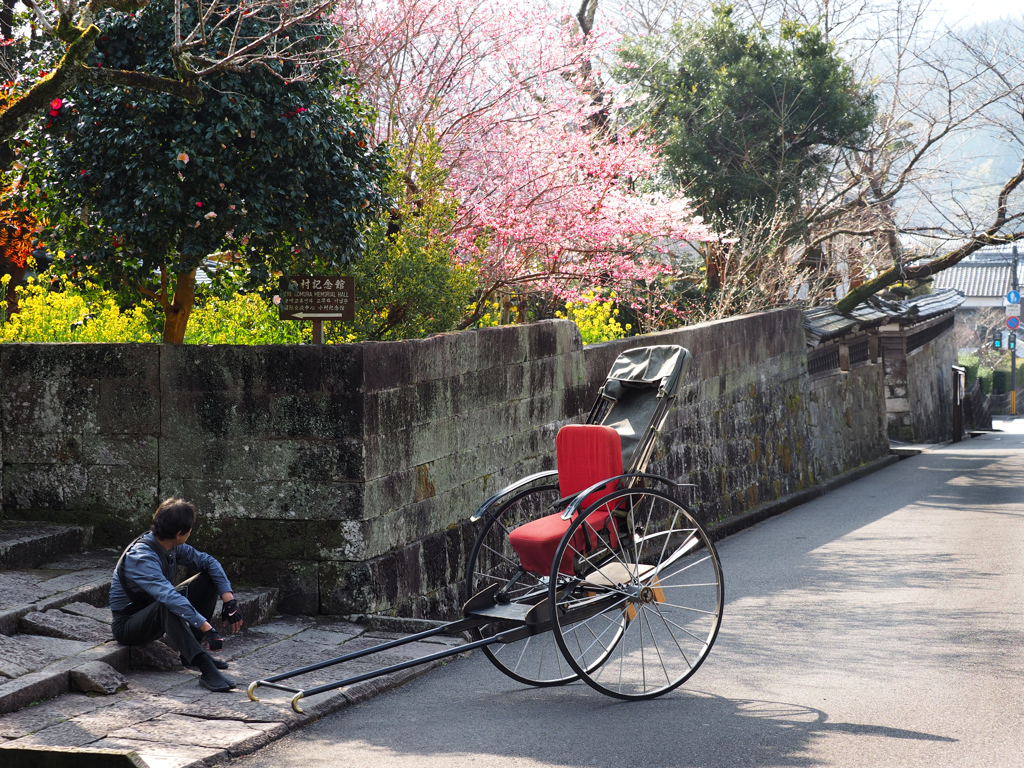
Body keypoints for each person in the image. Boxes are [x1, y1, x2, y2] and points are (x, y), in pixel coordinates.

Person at [110, 498, 243, 692]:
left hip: (156, 608)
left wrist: (229, 600)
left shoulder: (170, 546)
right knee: (168, 604)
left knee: (208, 578)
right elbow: (169, 597)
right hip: (129, 626)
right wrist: (207, 628)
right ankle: (205, 667)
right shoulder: (141, 557)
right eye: (190, 530)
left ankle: (191, 653)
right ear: (180, 533)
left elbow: (209, 562)